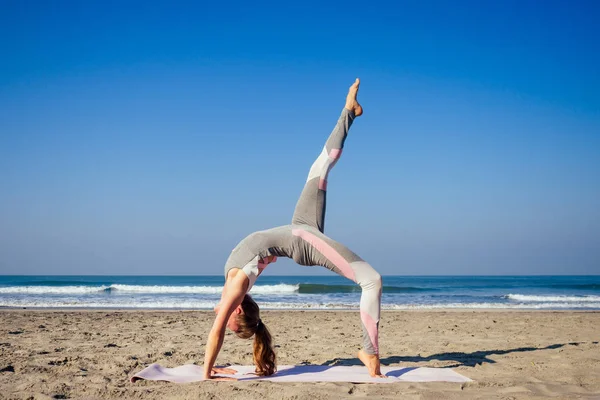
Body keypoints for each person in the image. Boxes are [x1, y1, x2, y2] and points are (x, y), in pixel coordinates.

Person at [204, 79, 384, 379]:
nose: (222, 318)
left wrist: (208, 372)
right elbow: (220, 322)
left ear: (235, 309)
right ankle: (370, 351)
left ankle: (349, 112)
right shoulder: (234, 288)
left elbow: (217, 326)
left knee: (319, 168)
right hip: (301, 239)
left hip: (301, 231)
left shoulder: (233, 289)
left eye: (229, 322)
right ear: (238, 308)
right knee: (372, 281)